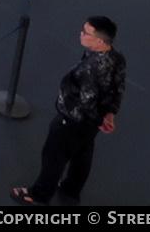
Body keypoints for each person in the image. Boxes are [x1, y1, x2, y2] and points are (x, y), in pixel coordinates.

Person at [13, 16, 126, 205]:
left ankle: (39, 195)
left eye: (85, 32)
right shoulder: (117, 58)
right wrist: (109, 114)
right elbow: (118, 88)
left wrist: (99, 120)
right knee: (82, 155)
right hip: (90, 125)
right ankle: (71, 189)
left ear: (99, 40)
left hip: (72, 121)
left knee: (53, 157)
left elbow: (87, 102)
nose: (80, 34)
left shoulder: (91, 68)